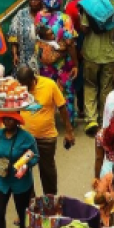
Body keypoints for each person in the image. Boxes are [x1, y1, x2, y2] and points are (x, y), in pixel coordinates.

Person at [16, 66, 75, 196]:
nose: (25, 88)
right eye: (22, 85)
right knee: (23, 171)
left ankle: (50, 202)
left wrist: (69, 131)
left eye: (27, 85)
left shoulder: (49, 85)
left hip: (46, 138)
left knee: (47, 171)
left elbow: (62, 108)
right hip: (25, 140)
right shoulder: (18, 88)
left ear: (33, 79)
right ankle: (29, 205)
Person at [79, 0, 114, 136]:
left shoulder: (90, 4)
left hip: (91, 52)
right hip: (109, 53)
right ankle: (105, 120)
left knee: (90, 85)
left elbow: (84, 28)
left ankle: (91, 119)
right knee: (106, 87)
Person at [7, 0, 43, 73]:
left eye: (36, 0)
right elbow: (13, 35)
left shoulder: (46, 15)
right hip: (24, 59)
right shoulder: (21, 14)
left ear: (42, 0)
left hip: (42, 60)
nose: (33, 2)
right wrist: (15, 54)